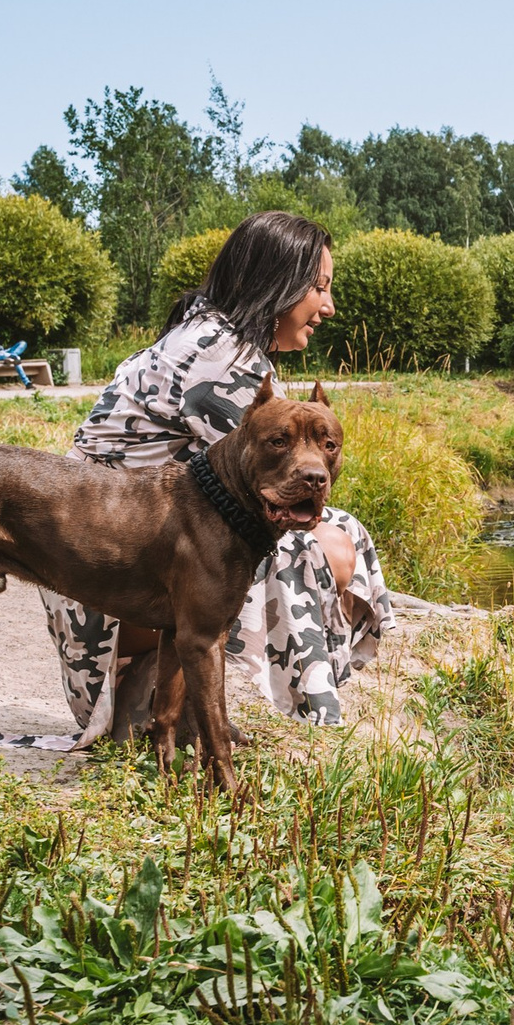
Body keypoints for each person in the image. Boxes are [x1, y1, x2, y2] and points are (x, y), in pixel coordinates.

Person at [39, 212, 395, 740]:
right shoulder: (220, 359)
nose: (328, 306)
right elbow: (254, 503)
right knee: (321, 546)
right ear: (276, 284)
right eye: (319, 288)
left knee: (340, 530)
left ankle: (173, 697)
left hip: (105, 577)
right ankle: (165, 700)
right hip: (110, 590)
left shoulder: (210, 336)